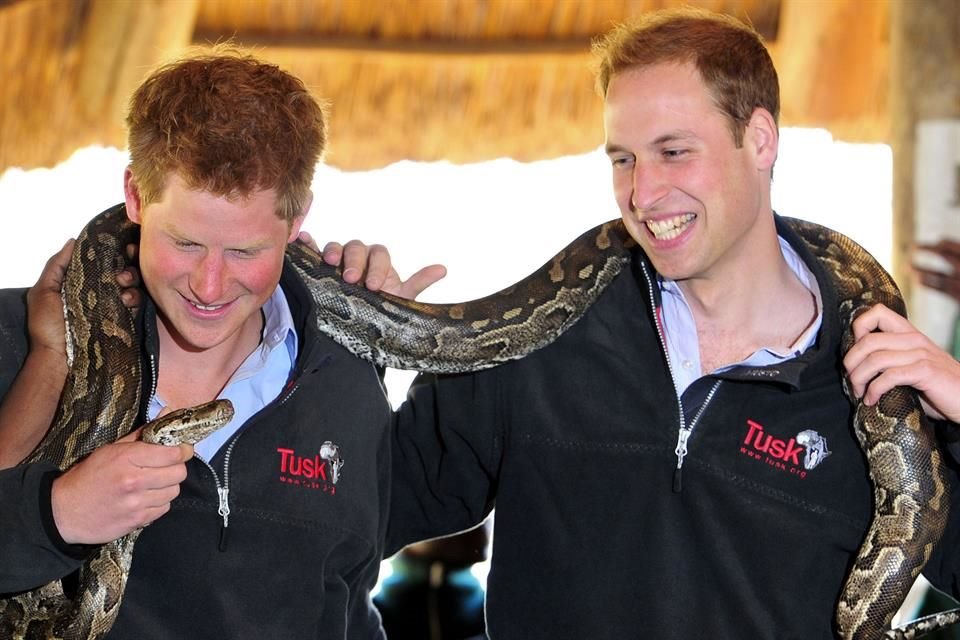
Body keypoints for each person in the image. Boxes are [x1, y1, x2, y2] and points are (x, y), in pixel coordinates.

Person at [347, 8, 960, 638]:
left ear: (760, 140)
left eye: (673, 152)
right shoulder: (536, 339)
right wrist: (340, 359)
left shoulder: (879, 381)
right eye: (623, 159)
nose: (642, 194)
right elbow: (349, 509)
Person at [0, 49, 443, 638]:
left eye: (244, 252)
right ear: (134, 196)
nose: (209, 287)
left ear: (296, 219)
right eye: (184, 243)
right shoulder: (21, 339)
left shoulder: (346, 374)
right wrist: (54, 514)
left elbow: (351, 595)